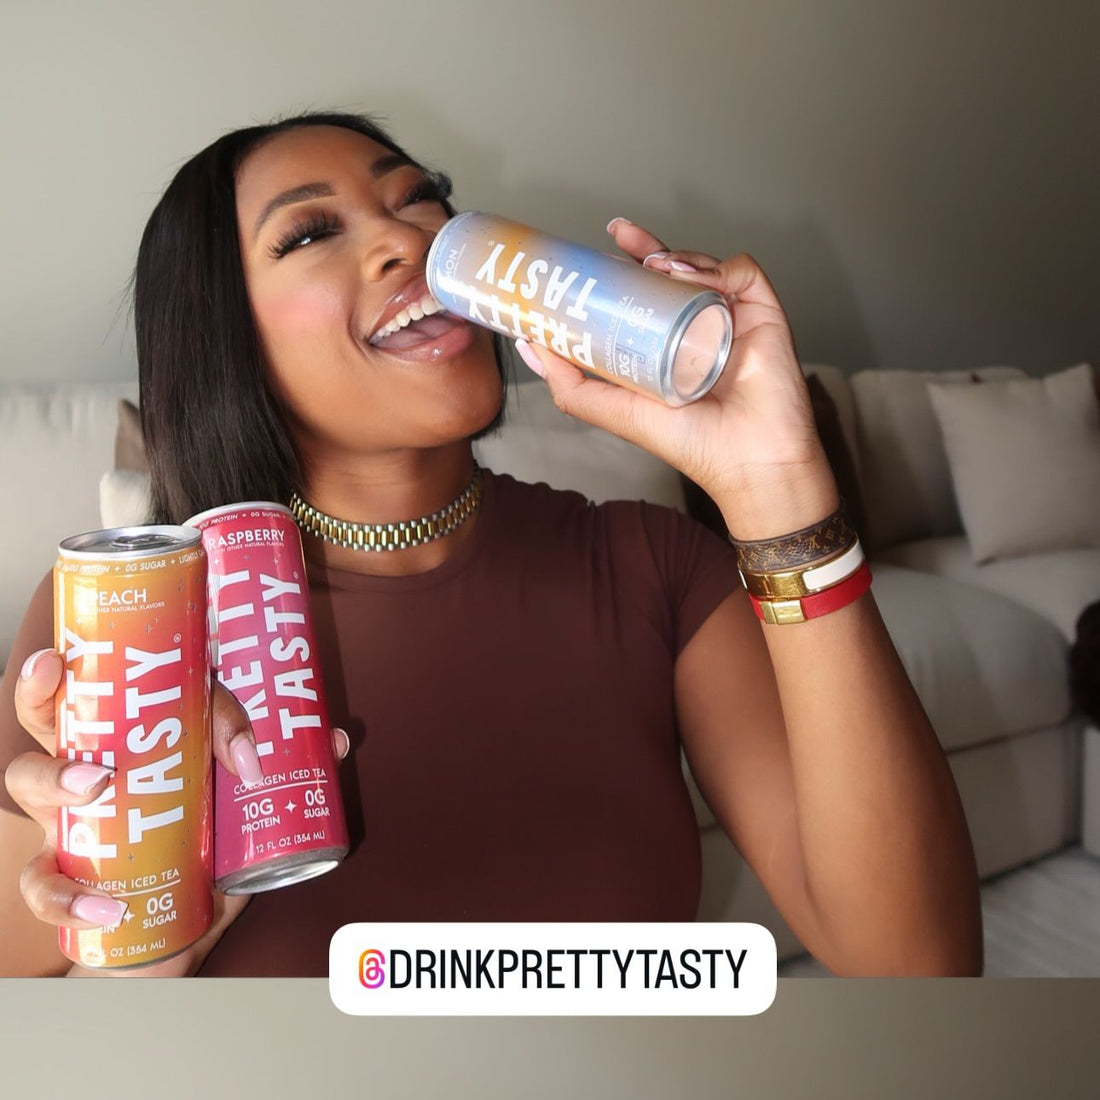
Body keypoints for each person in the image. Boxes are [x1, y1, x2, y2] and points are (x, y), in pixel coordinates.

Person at [0, 111, 983, 978]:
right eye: (310, 232)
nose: (407, 236)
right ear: (224, 338)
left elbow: (917, 966)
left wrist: (781, 490)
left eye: (419, 199)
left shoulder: (656, 568)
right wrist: (142, 937)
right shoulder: (138, 623)